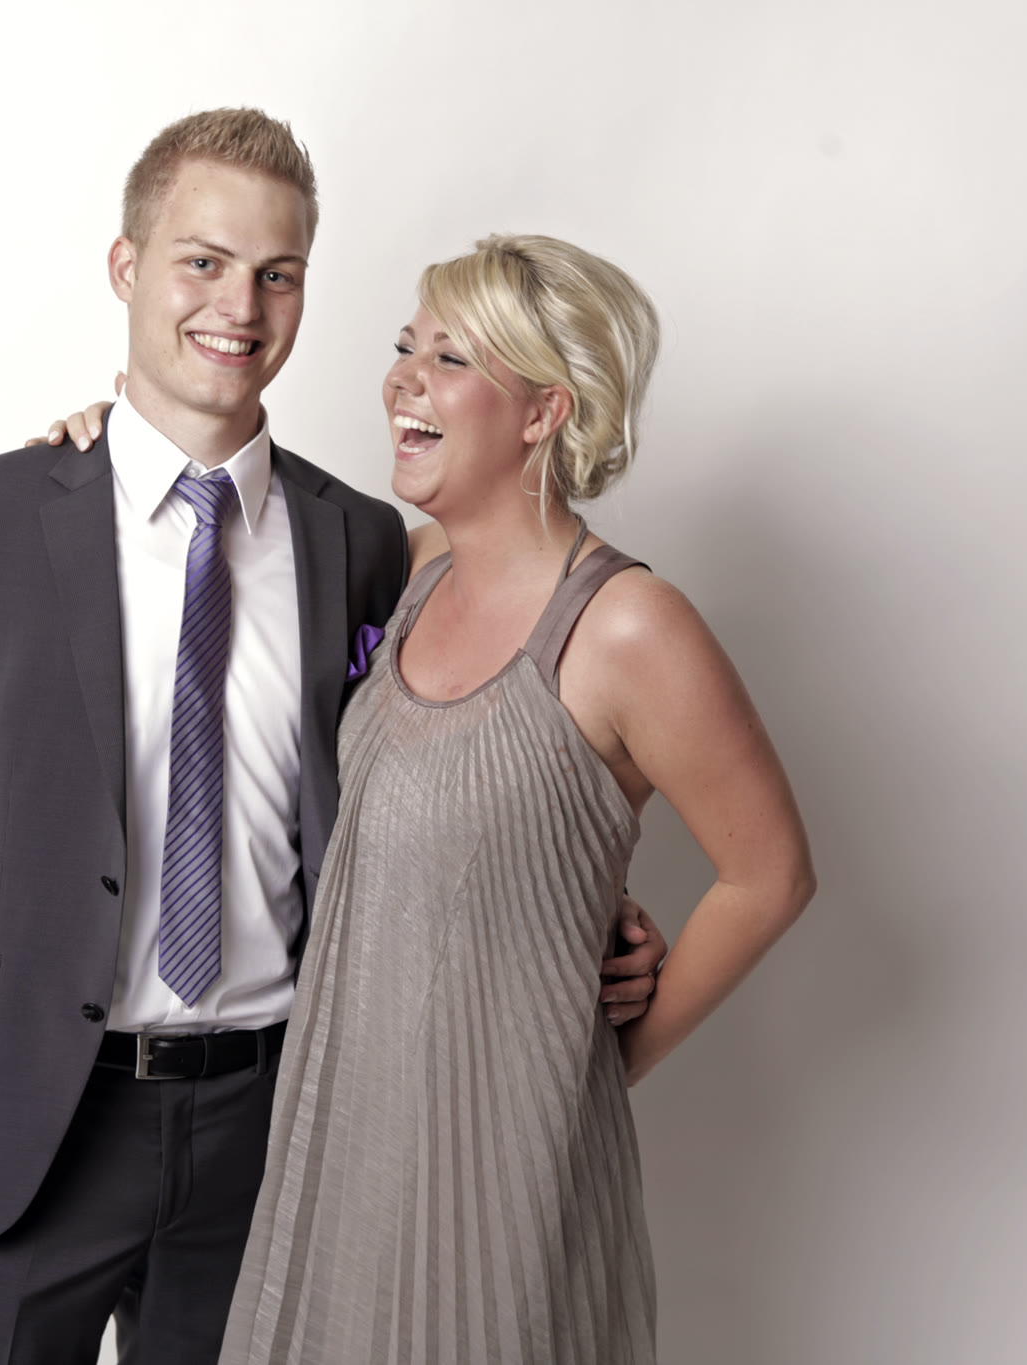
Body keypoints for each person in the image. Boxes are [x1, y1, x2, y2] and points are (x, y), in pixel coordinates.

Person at [0, 112, 667, 1365]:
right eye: (200, 262)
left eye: (277, 273)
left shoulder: (361, 542)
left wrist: (584, 901)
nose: (238, 306)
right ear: (126, 267)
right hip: (14, 1116)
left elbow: (452, 751)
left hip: (279, 1124)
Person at [206, 236, 816, 1364]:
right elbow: (202, 544)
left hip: (507, 1172)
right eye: (404, 348)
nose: (402, 380)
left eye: (449, 358)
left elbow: (768, 875)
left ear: (544, 412)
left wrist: (595, 1063)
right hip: (340, 1149)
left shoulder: (628, 626)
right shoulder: (408, 569)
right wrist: (95, 441)